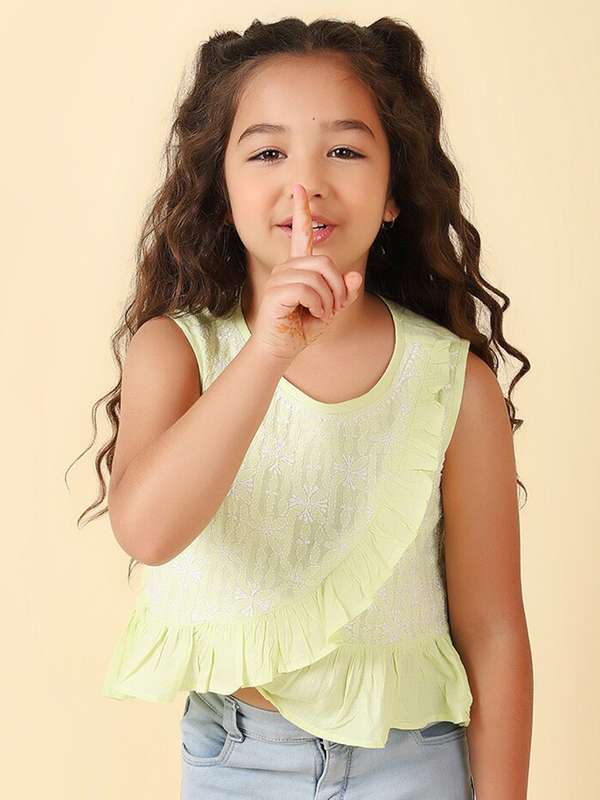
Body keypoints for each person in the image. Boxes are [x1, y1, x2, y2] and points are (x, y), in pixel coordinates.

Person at [71, 15, 534, 800]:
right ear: (221, 192)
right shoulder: (175, 350)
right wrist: (269, 352)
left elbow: (492, 631)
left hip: (413, 762)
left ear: (395, 193)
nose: (306, 184)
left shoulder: (452, 382)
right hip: (235, 760)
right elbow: (148, 533)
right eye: (267, 153)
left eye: (345, 151)